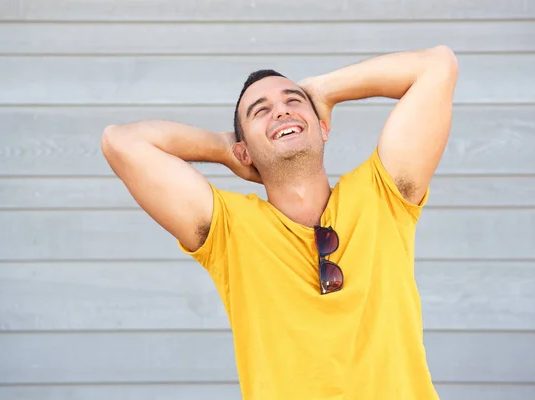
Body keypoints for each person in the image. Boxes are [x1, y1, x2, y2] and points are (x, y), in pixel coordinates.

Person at [101, 45, 459, 400]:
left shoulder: (383, 195)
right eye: (261, 111)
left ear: (322, 127)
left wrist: (324, 89)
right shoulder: (229, 231)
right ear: (244, 152)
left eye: (293, 101)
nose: (282, 112)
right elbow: (120, 142)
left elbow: (438, 66)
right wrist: (223, 148)